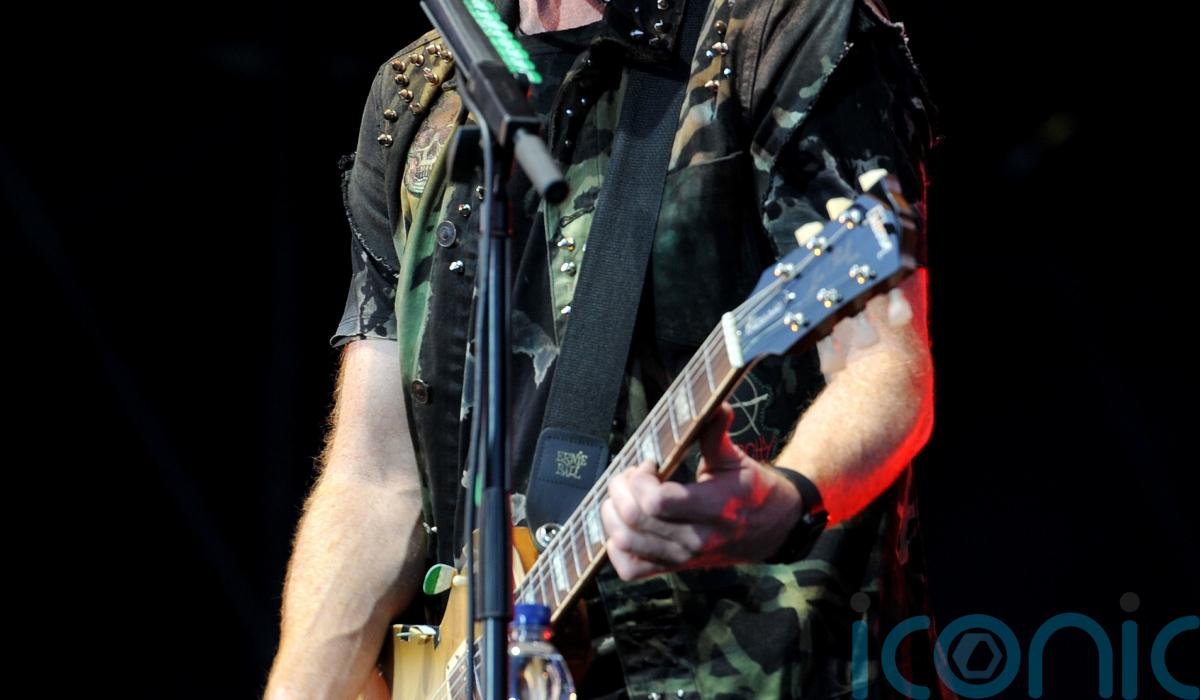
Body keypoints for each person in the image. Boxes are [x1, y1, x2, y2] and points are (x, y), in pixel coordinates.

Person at [265, 0, 945, 697]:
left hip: (760, 669)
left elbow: (884, 363)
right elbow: (376, 478)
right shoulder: (421, 90)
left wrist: (787, 496)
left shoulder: (781, 27)